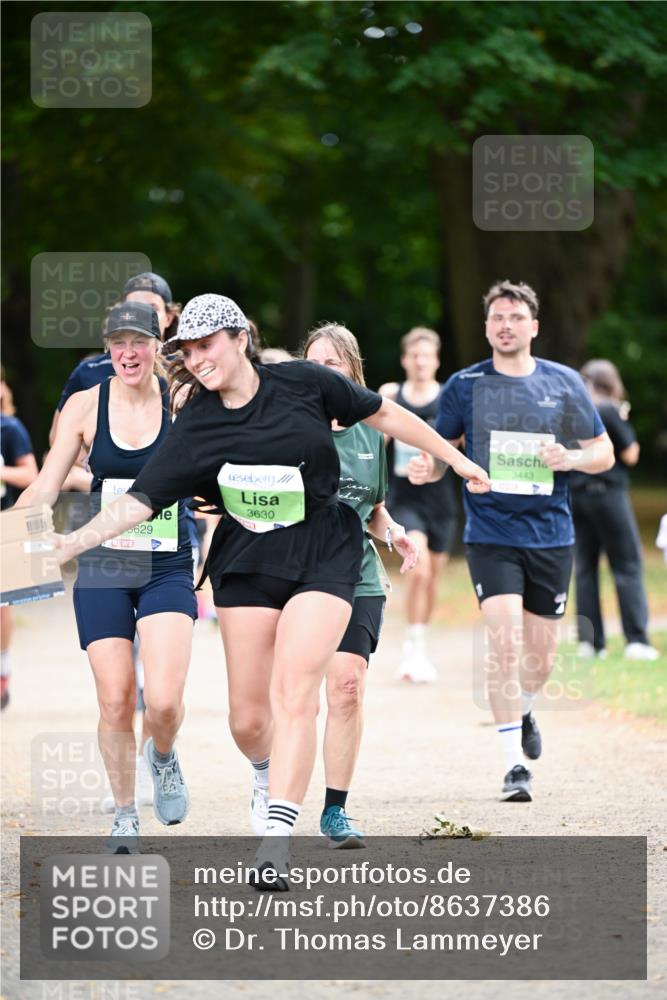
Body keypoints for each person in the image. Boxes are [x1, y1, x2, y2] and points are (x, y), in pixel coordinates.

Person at [52, 292, 490, 887]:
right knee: (250, 719)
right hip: (248, 558)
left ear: (239, 338)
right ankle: (265, 769)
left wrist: (453, 459)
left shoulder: (306, 382)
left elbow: (386, 416)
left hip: (323, 551)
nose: (197, 359)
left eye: (207, 346)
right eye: (188, 350)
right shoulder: (198, 423)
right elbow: (139, 500)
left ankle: (277, 840)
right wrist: (70, 545)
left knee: (296, 692)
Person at [409, 280, 613, 803]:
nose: (505, 325)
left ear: (533, 327)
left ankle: (523, 708)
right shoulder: (465, 384)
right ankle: (513, 765)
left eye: (515, 317)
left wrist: (571, 459)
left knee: (540, 660)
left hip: (551, 535)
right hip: (490, 534)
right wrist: (426, 468)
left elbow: (604, 452)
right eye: (497, 317)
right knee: (503, 644)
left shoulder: (565, 383)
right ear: (486, 327)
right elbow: (443, 453)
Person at [19, 302, 197, 847]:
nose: (127, 353)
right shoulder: (83, 405)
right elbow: (45, 488)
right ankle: (125, 813)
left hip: (166, 561)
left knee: (162, 700)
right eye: (117, 343)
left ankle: (162, 755)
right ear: (107, 349)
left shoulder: (183, 399)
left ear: (156, 344)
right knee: (116, 696)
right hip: (103, 565)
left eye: (137, 341)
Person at [304, 323, 419, 846]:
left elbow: (370, 505)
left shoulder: (373, 428)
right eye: (315, 363)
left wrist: (394, 532)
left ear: (353, 371)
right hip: (297, 576)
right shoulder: (285, 424)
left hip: (358, 573)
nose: (324, 372)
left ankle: (335, 810)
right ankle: (272, 791)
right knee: (291, 698)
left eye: (334, 364)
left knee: (347, 687)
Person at [380, 328, 459, 683]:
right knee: (421, 569)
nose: (421, 361)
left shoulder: (448, 397)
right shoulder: (392, 395)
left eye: (428, 355)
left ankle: (420, 644)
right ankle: (413, 648)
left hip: (441, 502)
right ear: (405, 360)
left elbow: (459, 445)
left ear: (437, 360)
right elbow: (374, 442)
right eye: (415, 355)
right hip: (404, 499)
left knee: (431, 580)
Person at [570, 360, 659, 661]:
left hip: (577, 497)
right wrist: (623, 418)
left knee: (584, 569)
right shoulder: (608, 409)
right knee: (627, 565)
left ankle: (590, 642)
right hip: (608, 495)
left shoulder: (572, 413)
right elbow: (631, 453)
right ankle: (636, 639)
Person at [0, 371, 39, 710]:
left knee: (1, 602)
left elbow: (31, 474)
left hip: (3, 521)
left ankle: (2, 667)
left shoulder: (9, 429)